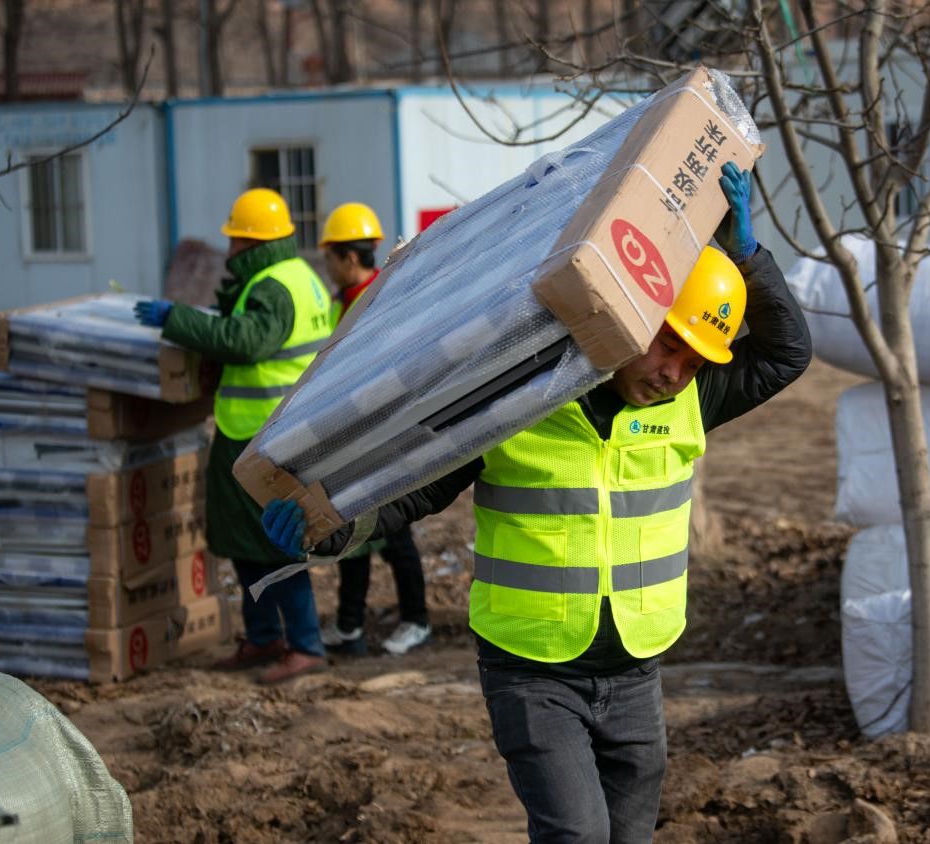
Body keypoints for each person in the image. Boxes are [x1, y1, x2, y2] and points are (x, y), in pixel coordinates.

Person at [261, 162, 812, 837]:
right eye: (670, 345)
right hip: (533, 674)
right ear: (634, 316)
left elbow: (788, 355)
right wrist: (332, 527)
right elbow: (420, 485)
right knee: (577, 837)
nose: (675, 373)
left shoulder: (696, 399)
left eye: (695, 361)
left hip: (636, 671)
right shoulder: (526, 399)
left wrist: (749, 260)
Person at [134, 186, 335, 685]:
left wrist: (177, 320)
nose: (228, 253)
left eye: (235, 243)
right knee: (245, 541)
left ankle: (305, 645)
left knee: (274, 543)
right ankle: (264, 636)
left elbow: (246, 343)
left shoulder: (271, 286)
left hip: (264, 437)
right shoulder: (300, 275)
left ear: (252, 243)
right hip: (265, 433)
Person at [318, 202, 432, 656]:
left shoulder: (378, 299)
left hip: (381, 434)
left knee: (393, 533)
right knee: (355, 533)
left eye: (329, 257)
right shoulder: (348, 301)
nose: (327, 267)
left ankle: (417, 620)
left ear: (348, 257)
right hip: (355, 435)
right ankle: (349, 625)